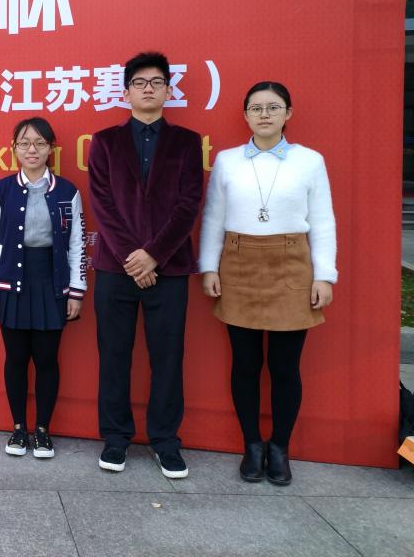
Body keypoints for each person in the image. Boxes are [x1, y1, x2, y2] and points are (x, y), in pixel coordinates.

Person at [199, 81, 335, 486]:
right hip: (238, 264)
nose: (264, 114)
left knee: (285, 367)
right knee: (245, 364)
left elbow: (323, 220)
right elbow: (213, 217)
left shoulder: (309, 161)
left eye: (273, 107)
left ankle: (280, 448)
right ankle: (252, 445)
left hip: (292, 264)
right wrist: (209, 267)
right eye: (256, 108)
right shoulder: (227, 161)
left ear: (288, 114)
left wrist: (324, 275)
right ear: (245, 115)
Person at [88, 51, 203, 478]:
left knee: (168, 357)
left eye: (156, 82)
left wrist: (153, 254)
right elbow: (102, 203)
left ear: (169, 91)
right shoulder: (105, 141)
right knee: (114, 355)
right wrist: (133, 257)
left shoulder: (187, 143)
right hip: (115, 268)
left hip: (168, 268)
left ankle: (165, 441)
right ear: (126, 92)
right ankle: (116, 438)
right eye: (140, 82)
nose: (148, 88)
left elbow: (189, 204)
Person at [0, 117, 87, 458]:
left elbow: (77, 243)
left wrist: (76, 289)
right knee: (15, 358)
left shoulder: (68, 192)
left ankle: (42, 430)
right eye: (24, 143)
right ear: (14, 149)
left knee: (46, 359)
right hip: (12, 281)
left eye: (40, 143)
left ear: (50, 149)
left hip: (50, 283)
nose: (32, 150)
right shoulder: (2, 190)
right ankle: (18, 429)